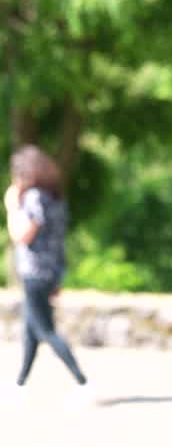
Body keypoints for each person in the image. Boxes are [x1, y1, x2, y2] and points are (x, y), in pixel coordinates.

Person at [4, 145, 87, 387]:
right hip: (50, 271)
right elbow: (59, 242)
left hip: (34, 272)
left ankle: (82, 381)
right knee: (30, 330)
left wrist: (11, 207)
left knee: (46, 330)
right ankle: (20, 383)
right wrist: (58, 276)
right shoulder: (55, 199)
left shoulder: (34, 198)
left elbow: (21, 235)